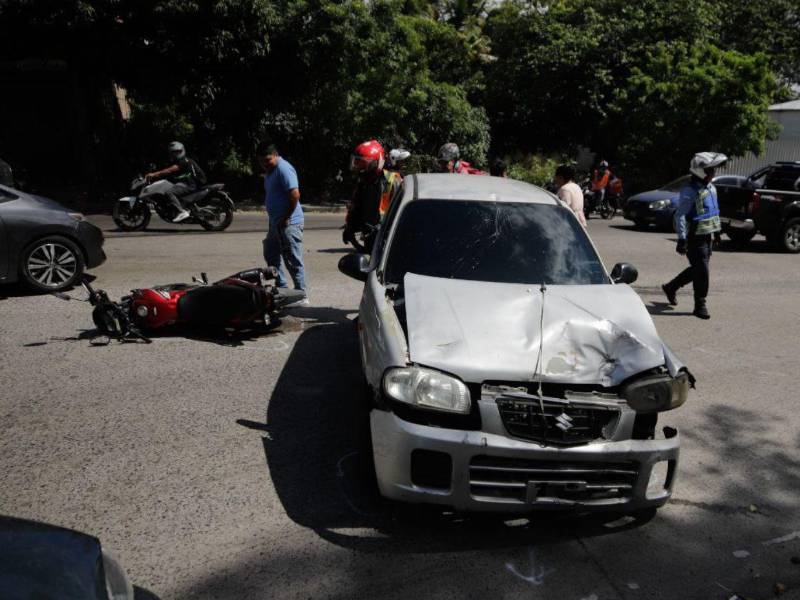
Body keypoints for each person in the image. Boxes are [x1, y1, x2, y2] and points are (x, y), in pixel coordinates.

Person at [661, 151, 727, 320]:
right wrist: (682, 238)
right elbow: (680, 215)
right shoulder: (689, 191)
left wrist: (717, 231)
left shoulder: (712, 188)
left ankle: (671, 287)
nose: (713, 173)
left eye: (713, 170)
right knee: (702, 270)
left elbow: (713, 212)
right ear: (700, 171)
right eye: (710, 170)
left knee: (698, 269)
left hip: (707, 236)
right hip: (694, 237)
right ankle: (700, 304)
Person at [256, 139, 307, 304]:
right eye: (261, 161)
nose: (265, 164)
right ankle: (283, 288)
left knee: (292, 258)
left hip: (288, 222)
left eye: (268, 160)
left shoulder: (283, 168)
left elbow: (295, 195)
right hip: (276, 222)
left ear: (276, 155)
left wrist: (285, 217)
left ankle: (301, 294)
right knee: (271, 253)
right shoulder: (270, 170)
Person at [344, 140, 402, 249]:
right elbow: (356, 208)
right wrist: (350, 227)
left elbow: (402, 214)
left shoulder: (393, 181)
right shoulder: (363, 183)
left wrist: (383, 228)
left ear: (377, 163)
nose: (359, 168)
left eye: (363, 164)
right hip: (370, 240)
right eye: (357, 163)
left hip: (390, 242)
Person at [145, 141, 206, 222]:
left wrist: (154, 174)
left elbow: (169, 170)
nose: (175, 154)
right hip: (190, 183)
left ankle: (182, 211)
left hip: (191, 184)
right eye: (173, 152)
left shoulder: (183, 161)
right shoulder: (184, 160)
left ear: (182, 151)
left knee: (169, 192)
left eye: (177, 152)